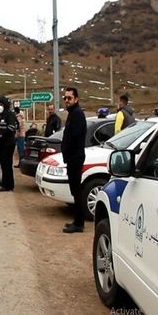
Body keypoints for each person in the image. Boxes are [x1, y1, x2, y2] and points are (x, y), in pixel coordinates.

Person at [61, 87, 87, 233]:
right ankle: (77, 221)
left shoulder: (77, 114)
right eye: (65, 98)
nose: (66, 100)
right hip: (72, 157)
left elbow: (74, 137)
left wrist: (67, 150)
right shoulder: (72, 114)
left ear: (76, 99)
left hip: (75, 157)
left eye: (69, 98)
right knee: (74, 189)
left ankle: (79, 223)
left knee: (76, 190)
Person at [0, 97, 17, 192]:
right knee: (3, 163)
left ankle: (8, 185)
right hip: (1, 143)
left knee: (7, 164)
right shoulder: (0, 114)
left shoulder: (10, 114)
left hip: (8, 143)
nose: (0, 106)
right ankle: (4, 181)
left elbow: (11, 128)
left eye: (1, 104)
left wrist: (2, 134)